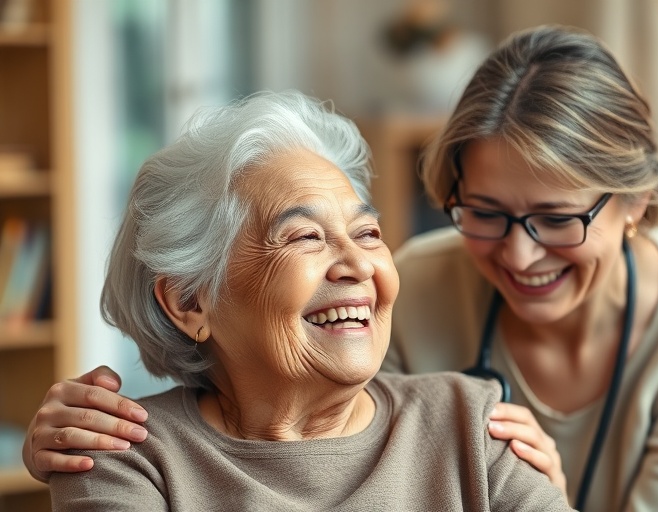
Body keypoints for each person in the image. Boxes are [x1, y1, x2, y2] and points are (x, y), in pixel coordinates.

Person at [25, 25, 658, 511]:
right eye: (484, 213)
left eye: (558, 219)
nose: (518, 255)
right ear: (188, 299)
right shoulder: (418, 280)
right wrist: (62, 444)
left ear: (637, 203)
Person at [46, 90, 571, 511]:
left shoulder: (472, 424)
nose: (360, 266)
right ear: (189, 301)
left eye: (366, 233)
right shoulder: (125, 460)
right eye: (305, 238)